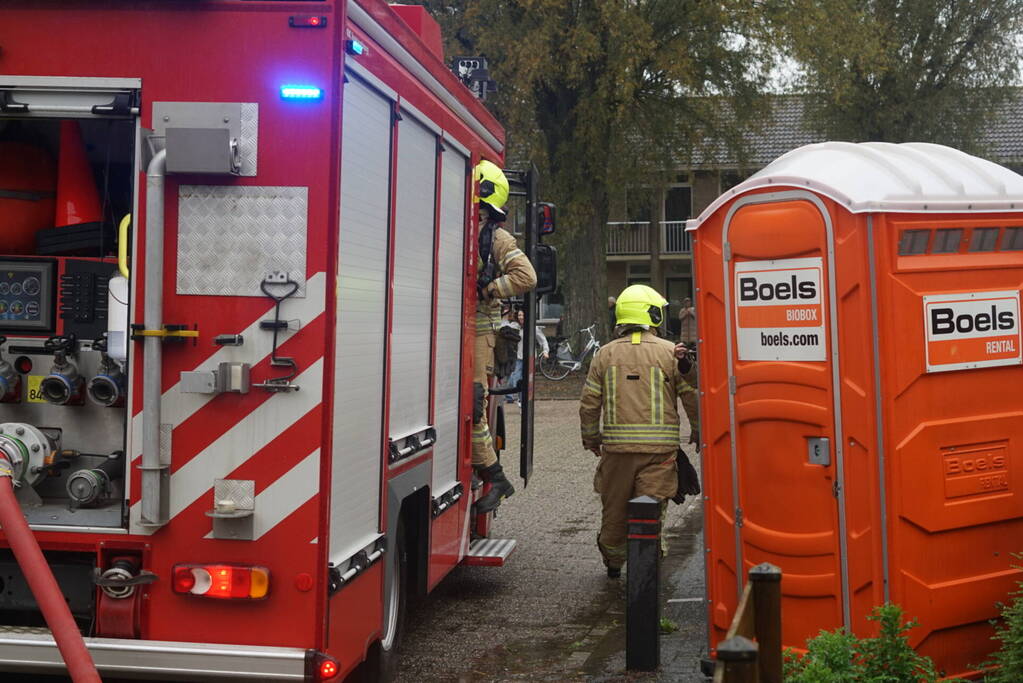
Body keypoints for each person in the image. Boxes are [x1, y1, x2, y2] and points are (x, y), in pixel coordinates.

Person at [579, 284, 699, 578]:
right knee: (651, 511)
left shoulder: (604, 355)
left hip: (617, 453)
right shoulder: (671, 353)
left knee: (615, 514)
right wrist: (698, 430)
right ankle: (647, 567)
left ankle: (613, 562)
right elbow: (691, 395)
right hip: (660, 454)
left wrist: (592, 438)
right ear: (652, 314)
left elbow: (589, 403)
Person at [472, 160, 537, 513]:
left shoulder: (496, 237)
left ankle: (495, 476)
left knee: (472, 410)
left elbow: (527, 277)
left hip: (479, 335)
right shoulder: (455, 227)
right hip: (452, 335)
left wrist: (491, 289)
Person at [501, 308, 549, 406]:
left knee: (526, 379)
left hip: (530, 358)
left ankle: (520, 399)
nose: (521, 317)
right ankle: (517, 397)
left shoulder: (533, 328)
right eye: (519, 315)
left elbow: (543, 340)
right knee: (517, 378)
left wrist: (545, 351)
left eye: (523, 315)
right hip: (518, 357)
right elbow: (503, 328)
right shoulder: (515, 326)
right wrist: (504, 316)